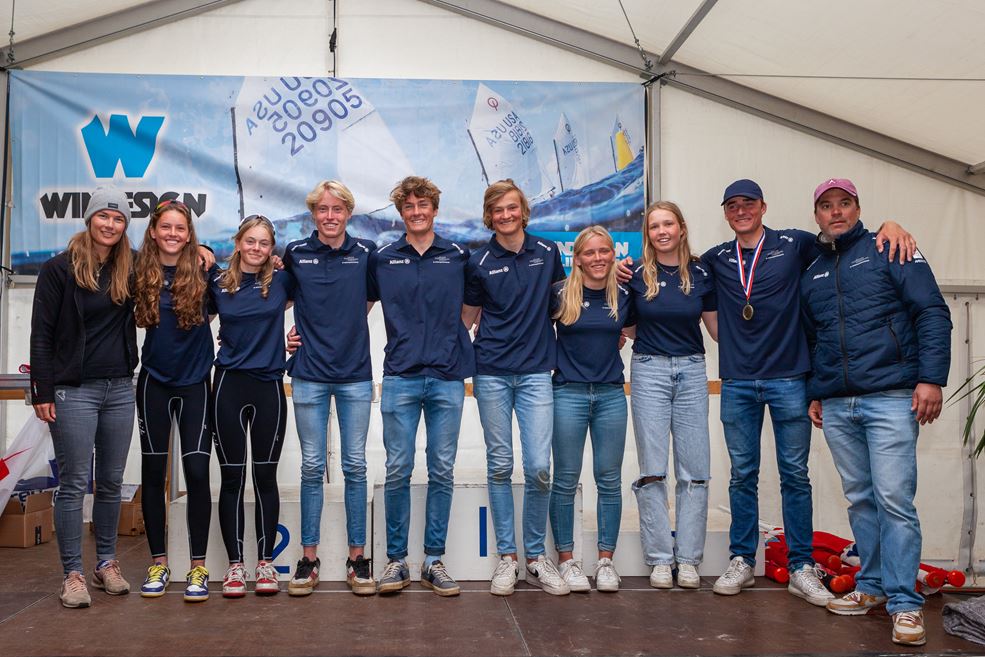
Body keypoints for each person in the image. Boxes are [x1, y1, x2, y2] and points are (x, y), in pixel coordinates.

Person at [697, 179, 914, 606]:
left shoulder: (795, 244)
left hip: (790, 379)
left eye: (748, 203)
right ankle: (742, 558)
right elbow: (673, 269)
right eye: (732, 205)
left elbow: (845, 244)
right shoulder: (716, 258)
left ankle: (800, 565)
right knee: (743, 474)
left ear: (763, 206)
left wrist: (890, 225)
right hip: (738, 381)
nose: (741, 210)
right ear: (725, 212)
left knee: (795, 474)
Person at [802, 178, 951, 646]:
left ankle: (905, 605)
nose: (836, 212)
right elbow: (814, 337)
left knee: (894, 500)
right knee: (862, 500)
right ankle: (871, 586)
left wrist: (931, 378)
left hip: (890, 396)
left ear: (858, 207)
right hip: (838, 404)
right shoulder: (813, 272)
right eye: (826, 206)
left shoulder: (892, 248)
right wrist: (816, 390)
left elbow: (931, 311)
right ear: (817, 216)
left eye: (844, 204)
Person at [30, 186, 138, 608]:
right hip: (73, 390)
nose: (110, 225)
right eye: (103, 217)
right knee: (74, 483)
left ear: (125, 226)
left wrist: (202, 253)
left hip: (119, 389)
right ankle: (72, 573)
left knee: (110, 481)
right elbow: (41, 334)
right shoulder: (59, 269)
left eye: (118, 219)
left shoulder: (130, 267)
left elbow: (174, 261)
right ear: (90, 219)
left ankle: (106, 563)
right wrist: (41, 389)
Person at [367, 176, 474, 596]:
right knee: (397, 469)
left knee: (442, 469)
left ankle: (433, 559)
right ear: (401, 213)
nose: (416, 211)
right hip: (400, 376)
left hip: (447, 378)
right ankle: (396, 560)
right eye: (408, 206)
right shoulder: (383, 258)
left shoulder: (459, 256)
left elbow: (473, 307)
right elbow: (355, 304)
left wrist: (450, 339)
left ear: (434, 208)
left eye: (423, 204)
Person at [463, 179, 569, 596]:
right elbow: (466, 318)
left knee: (540, 466)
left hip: (536, 372)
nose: (505, 216)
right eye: (497, 210)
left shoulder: (547, 252)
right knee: (501, 464)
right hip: (490, 371)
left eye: (512, 208)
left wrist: (608, 329)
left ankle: (536, 558)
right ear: (489, 216)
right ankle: (507, 559)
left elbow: (565, 307)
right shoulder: (478, 261)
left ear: (523, 210)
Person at [282, 181, 377, 596]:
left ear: (348, 213)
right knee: (310, 467)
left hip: (355, 374)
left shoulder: (366, 254)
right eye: (322, 209)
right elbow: (267, 297)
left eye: (338, 208)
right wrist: (278, 338)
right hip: (308, 374)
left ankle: (358, 560)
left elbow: (370, 300)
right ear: (313, 214)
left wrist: (343, 327)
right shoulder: (296, 253)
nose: (330, 216)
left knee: (355, 466)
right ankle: (309, 559)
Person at [624, 201, 717, 590]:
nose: (661, 231)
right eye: (653, 226)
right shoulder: (634, 275)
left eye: (667, 224)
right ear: (648, 234)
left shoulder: (701, 272)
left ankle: (689, 559)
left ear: (681, 227)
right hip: (649, 370)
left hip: (693, 371)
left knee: (694, 472)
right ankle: (661, 558)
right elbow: (628, 329)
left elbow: (715, 329)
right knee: (652, 470)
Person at [133, 199, 216, 602]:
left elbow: (246, 293)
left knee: (198, 473)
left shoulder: (205, 270)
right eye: (165, 227)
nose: (172, 234)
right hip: (154, 383)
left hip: (196, 383)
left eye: (180, 229)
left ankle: (198, 567)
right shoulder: (136, 271)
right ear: (153, 231)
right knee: (153, 474)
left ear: (189, 235)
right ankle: (159, 563)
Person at [208, 215, 294, 597]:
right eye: (251, 241)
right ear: (239, 242)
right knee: (231, 479)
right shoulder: (216, 283)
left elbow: (323, 304)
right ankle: (235, 566)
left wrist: (296, 338)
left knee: (264, 479)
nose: (257, 248)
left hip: (269, 388)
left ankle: (265, 564)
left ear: (271, 248)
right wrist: (202, 251)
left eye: (265, 243)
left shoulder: (281, 280)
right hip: (228, 386)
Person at [548, 226, 633, 593]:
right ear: (577, 258)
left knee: (609, 480)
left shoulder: (624, 294)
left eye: (604, 251)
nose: (598, 258)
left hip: (612, 395)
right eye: (590, 252)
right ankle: (567, 562)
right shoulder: (559, 294)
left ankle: (605, 561)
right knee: (565, 480)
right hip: (568, 393)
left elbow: (631, 331)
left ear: (613, 254)